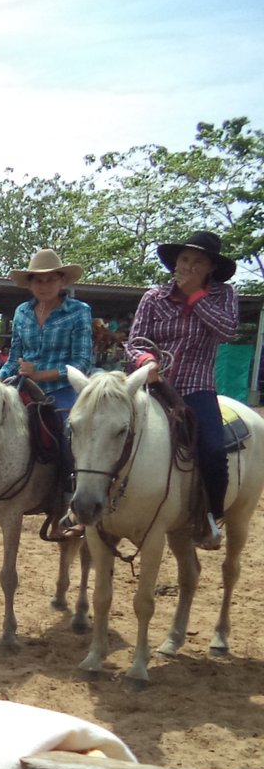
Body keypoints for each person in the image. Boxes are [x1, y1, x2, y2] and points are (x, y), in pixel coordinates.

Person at [126, 230, 241, 550]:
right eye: (184, 260)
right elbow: (134, 342)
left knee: (214, 450)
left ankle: (209, 516)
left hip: (196, 388)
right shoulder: (153, 297)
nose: (188, 266)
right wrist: (146, 361)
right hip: (151, 384)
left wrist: (195, 296)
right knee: (102, 425)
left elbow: (229, 330)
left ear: (210, 269)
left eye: (198, 262)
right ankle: (85, 504)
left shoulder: (223, 295)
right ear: (175, 263)